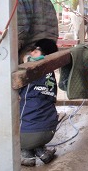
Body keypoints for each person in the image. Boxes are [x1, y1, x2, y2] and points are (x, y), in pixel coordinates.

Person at [19, 38, 59, 166]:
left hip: (26, 136)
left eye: (35, 51)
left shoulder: (28, 72)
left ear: (44, 55)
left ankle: (27, 155)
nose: (31, 54)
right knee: (39, 109)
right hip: (49, 132)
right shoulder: (50, 73)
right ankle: (42, 151)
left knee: (16, 108)